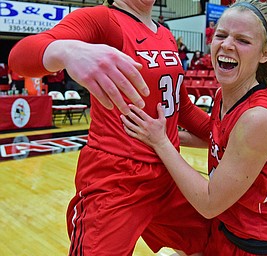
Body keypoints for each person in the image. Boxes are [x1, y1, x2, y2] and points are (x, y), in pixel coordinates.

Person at [8, 0, 211, 255]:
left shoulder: (166, 34)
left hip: (169, 172)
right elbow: (19, 58)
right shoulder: (103, 19)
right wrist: (67, 51)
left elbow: (183, 109)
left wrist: (227, 132)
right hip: (117, 177)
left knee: (214, 240)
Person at [121, 0, 267, 255]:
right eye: (221, 35)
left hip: (260, 248)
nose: (227, 44)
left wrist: (161, 142)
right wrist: (163, 134)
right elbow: (218, 138)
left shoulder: (258, 118)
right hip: (224, 232)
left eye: (243, 40)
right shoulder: (223, 95)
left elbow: (208, 203)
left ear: (265, 54)